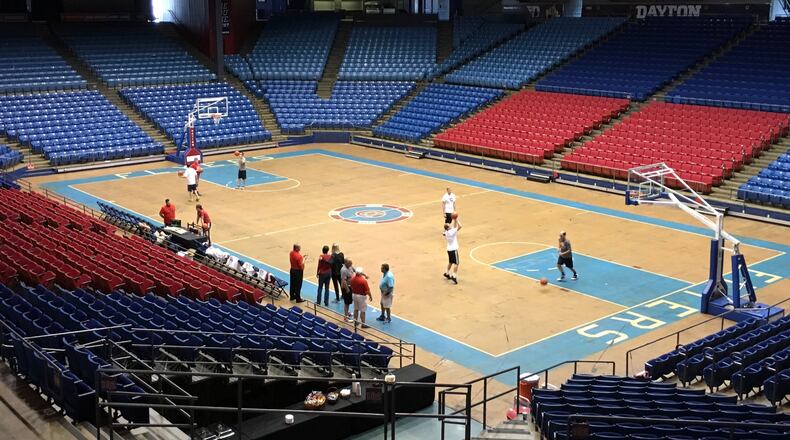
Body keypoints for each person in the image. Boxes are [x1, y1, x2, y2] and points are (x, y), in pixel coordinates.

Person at [443, 218, 462, 284]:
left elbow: (454, 227)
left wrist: (454, 221)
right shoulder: (452, 231)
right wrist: (456, 219)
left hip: (449, 249)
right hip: (454, 250)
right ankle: (454, 276)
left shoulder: (446, 232)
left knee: (450, 262)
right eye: (449, 225)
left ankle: (447, 273)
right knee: (456, 263)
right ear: (448, 227)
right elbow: (460, 226)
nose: (450, 225)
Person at [340, 258, 355, 322]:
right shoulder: (343, 270)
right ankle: (345, 318)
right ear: (345, 263)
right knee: (347, 303)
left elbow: (355, 270)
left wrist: (364, 275)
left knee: (348, 302)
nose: (351, 265)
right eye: (350, 264)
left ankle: (347, 313)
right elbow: (343, 281)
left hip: (350, 287)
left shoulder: (350, 266)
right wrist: (347, 289)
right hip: (346, 288)